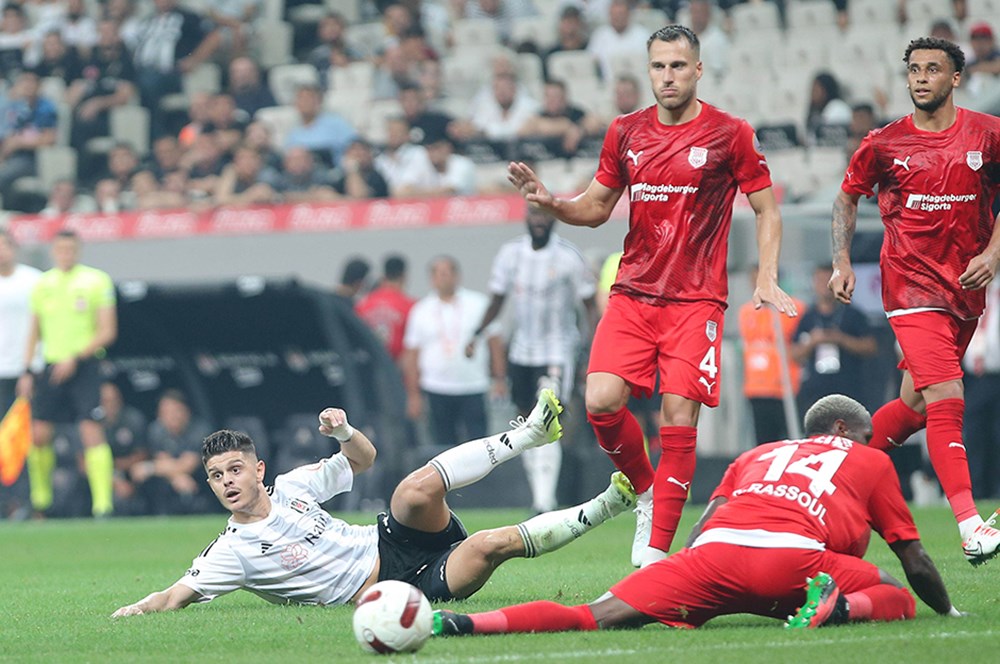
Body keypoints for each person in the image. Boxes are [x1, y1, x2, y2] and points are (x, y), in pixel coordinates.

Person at [506, 25, 796, 568]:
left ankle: (657, 552)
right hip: (634, 293)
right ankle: (646, 492)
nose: (668, 76)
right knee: (599, 402)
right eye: (659, 66)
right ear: (649, 71)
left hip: (696, 300)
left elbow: (767, 209)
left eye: (679, 66)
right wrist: (552, 203)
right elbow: (594, 208)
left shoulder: (730, 134)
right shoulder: (625, 131)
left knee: (678, 415)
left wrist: (765, 275)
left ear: (698, 70)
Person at [432, 395, 961, 637]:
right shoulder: (866, 458)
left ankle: (463, 625)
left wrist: (682, 577)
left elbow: (706, 525)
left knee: (594, 616)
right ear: (846, 432)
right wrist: (949, 612)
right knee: (891, 592)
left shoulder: (756, 454)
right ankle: (839, 611)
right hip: (795, 566)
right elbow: (912, 556)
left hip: (709, 559)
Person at [111, 390, 637, 614]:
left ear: (258, 470)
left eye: (235, 469)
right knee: (489, 545)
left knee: (411, 490)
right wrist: (132, 610)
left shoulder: (292, 487)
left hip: (391, 538)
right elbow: (175, 595)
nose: (227, 481)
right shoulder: (232, 550)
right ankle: (610, 505)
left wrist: (343, 431)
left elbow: (363, 459)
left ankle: (528, 435)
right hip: (398, 587)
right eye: (216, 476)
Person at [830, 36, 1000, 565]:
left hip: (965, 290)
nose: (921, 77)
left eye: (933, 69)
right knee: (947, 394)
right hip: (909, 289)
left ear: (955, 78)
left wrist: (994, 253)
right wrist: (840, 260)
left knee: (917, 404)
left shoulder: (988, 135)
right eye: (914, 70)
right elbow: (846, 196)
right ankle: (971, 527)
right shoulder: (884, 143)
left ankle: (831, 470)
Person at [468, 207, 598, 513]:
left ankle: (545, 498)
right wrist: (476, 333)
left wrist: (593, 347)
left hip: (557, 349)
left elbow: (590, 305)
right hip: (521, 350)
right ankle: (537, 495)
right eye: (534, 215)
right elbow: (497, 299)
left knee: (547, 416)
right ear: (526, 218)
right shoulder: (510, 253)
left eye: (545, 216)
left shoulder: (569, 256)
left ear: (554, 219)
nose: (539, 221)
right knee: (526, 421)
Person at [16, 230, 118, 518]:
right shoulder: (42, 284)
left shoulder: (96, 280)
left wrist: (75, 356)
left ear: (78, 250)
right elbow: (33, 333)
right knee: (39, 433)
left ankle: (103, 506)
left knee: (90, 429)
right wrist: (27, 370)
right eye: (60, 249)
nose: (65, 254)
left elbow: (107, 331)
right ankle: (40, 502)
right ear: (53, 251)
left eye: (70, 248)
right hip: (50, 365)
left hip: (84, 365)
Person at [401, 256, 501, 449]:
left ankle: (480, 480)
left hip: (473, 385)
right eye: (438, 274)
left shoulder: (478, 304)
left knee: (479, 445)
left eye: (447, 273)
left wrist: (499, 378)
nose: (443, 278)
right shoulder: (421, 310)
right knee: (443, 446)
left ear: (457, 276)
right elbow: (412, 354)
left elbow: (495, 343)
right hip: (436, 387)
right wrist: (413, 395)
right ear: (431, 279)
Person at [790, 264, 877, 416]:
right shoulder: (808, 317)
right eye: (819, 281)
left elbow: (871, 347)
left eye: (827, 281)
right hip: (816, 391)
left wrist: (841, 339)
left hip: (850, 388)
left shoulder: (853, 314)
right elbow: (794, 354)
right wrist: (813, 341)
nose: (824, 286)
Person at [739, 265, 803, 446]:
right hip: (756, 389)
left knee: (791, 440)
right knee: (763, 444)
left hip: (785, 388)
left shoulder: (793, 308)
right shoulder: (746, 312)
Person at [133, 389, 214, 515]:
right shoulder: (156, 430)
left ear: (186, 411)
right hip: (174, 482)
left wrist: (150, 468)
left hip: (200, 481)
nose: (171, 416)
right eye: (165, 412)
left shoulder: (200, 431)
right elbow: (163, 460)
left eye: (175, 411)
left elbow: (186, 465)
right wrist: (176, 477)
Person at [0, 230, 40, 413]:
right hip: (2, 369)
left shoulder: (34, 280)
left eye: (4, 245)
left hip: (30, 367)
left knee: (34, 428)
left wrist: (29, 368)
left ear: (14, 248)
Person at [356, 255, 415, 362]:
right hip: (397, 368)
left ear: (383, 276)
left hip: (370, 366)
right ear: (404, 277)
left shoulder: (363, 304)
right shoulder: (411, 306)